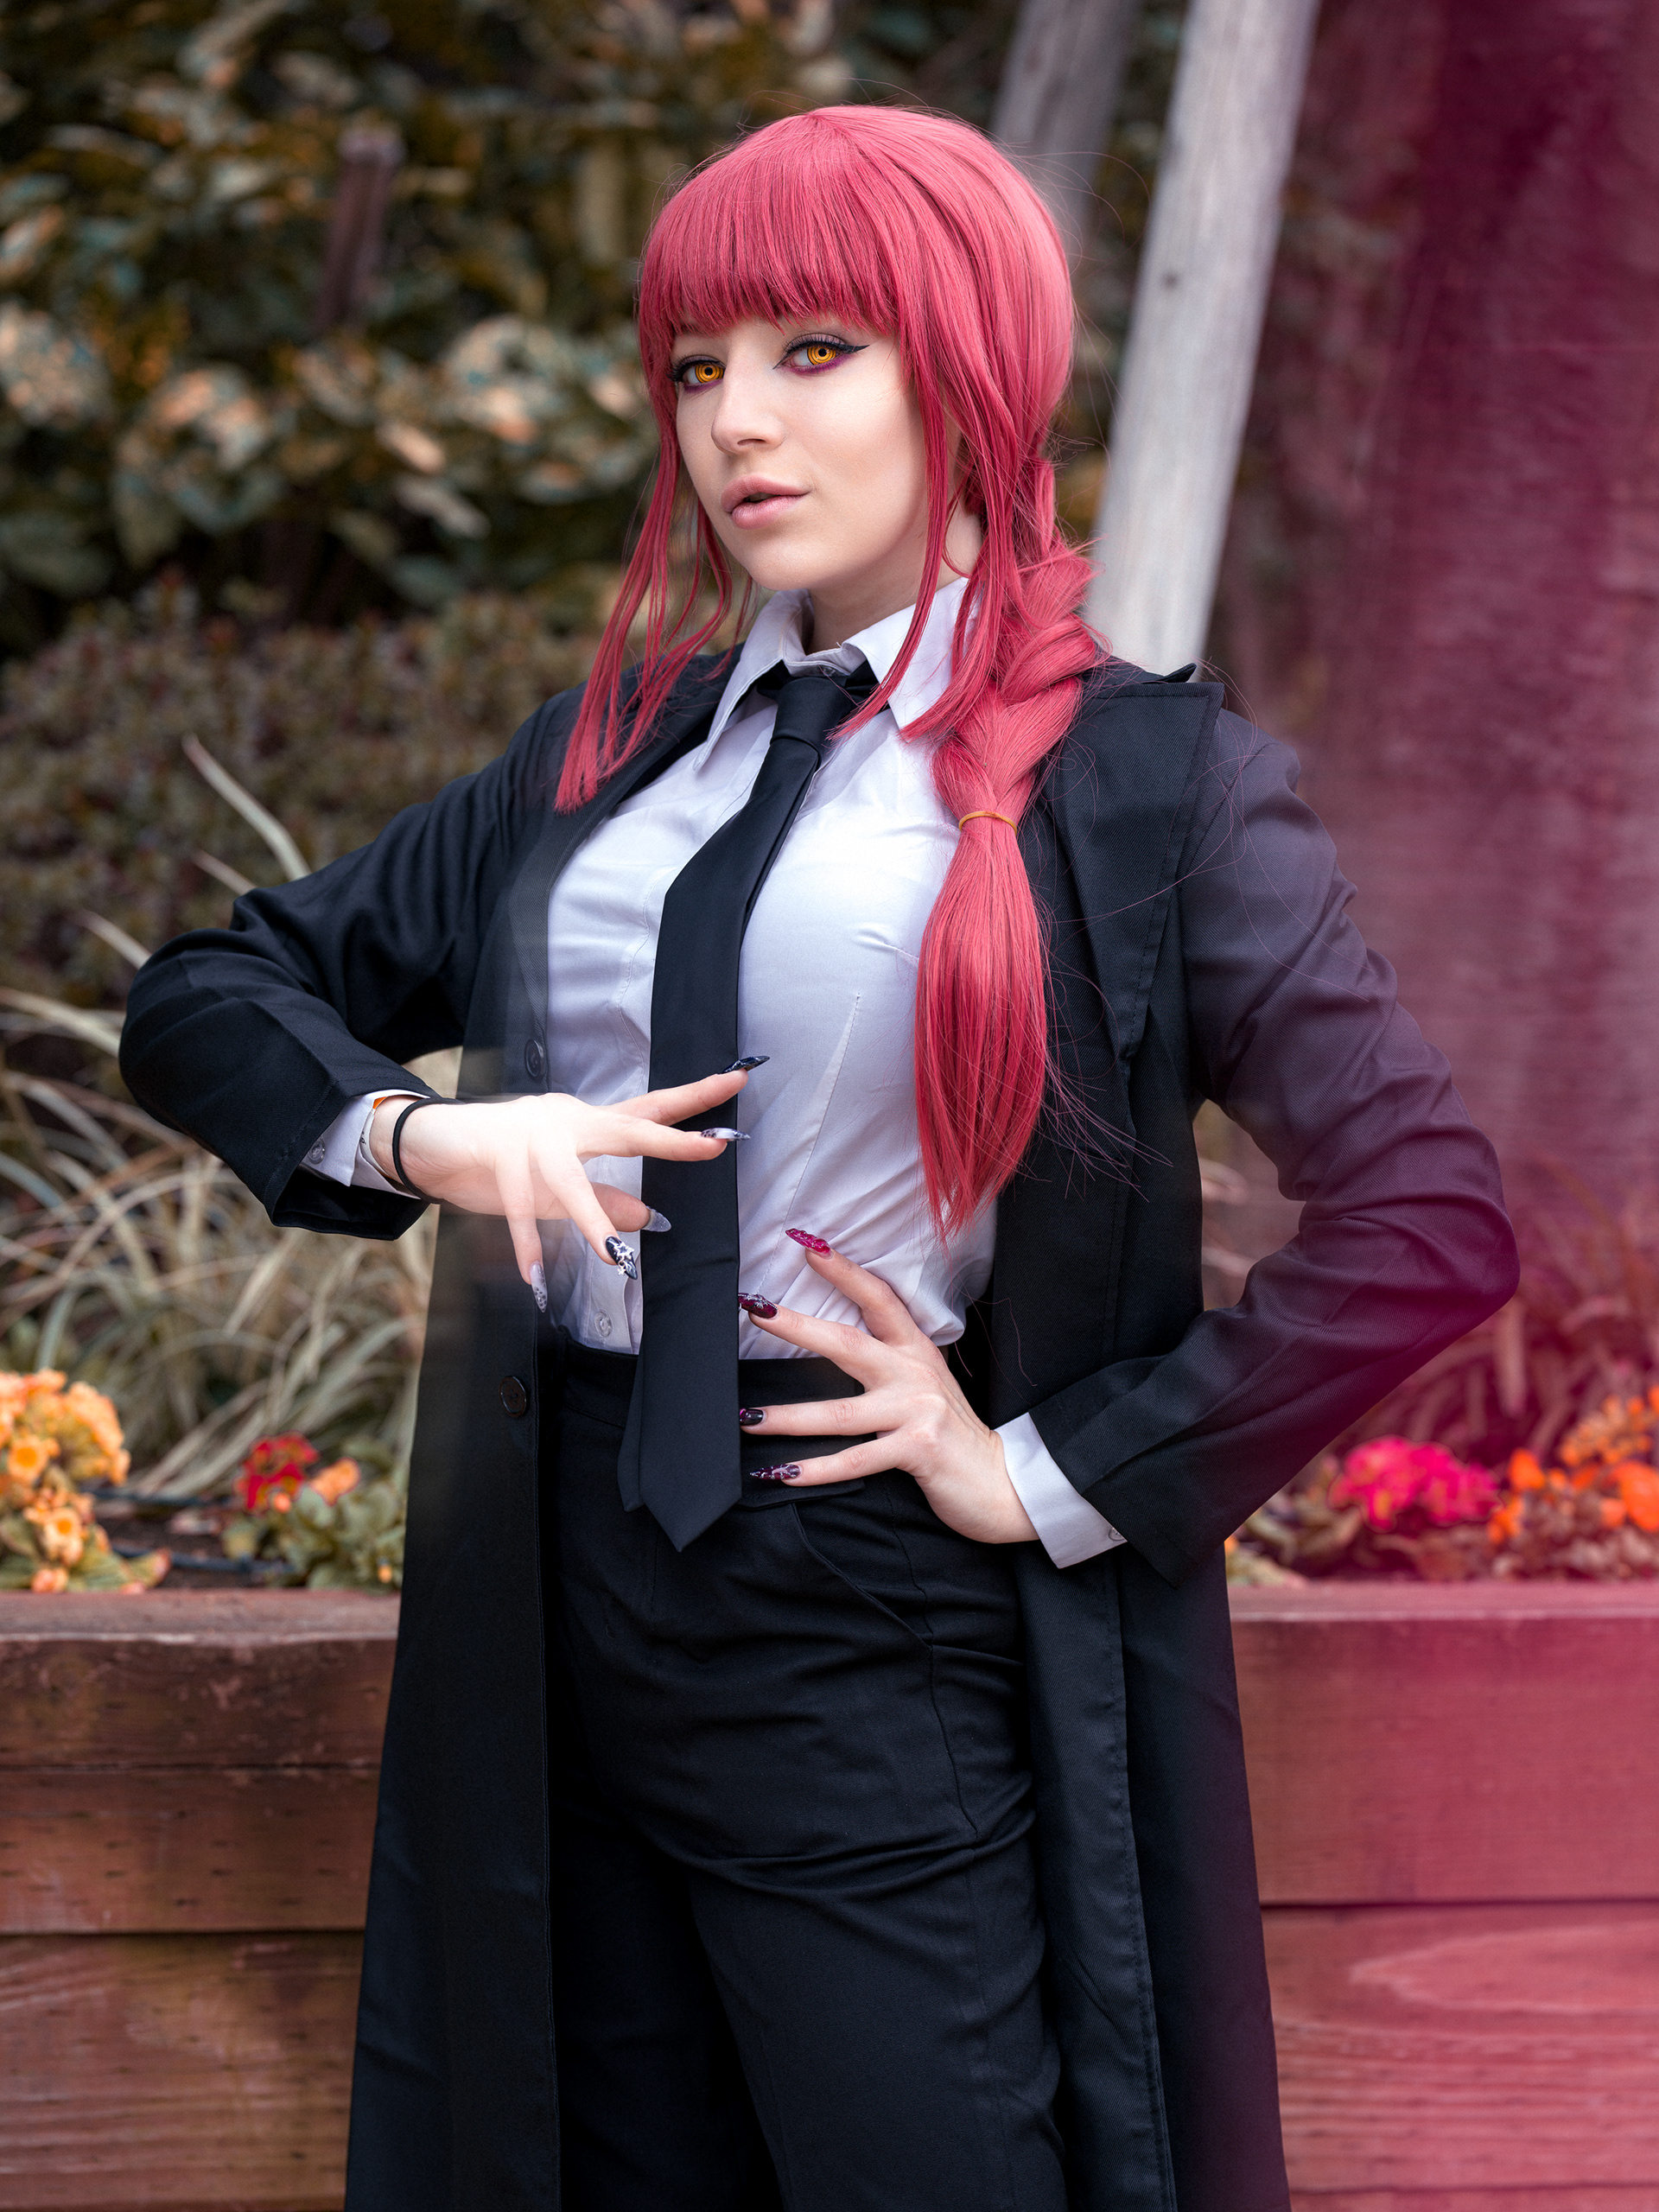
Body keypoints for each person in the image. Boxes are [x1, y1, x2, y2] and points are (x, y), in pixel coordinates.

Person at [120, 105, 1518, 2212]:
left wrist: (1042, 1468)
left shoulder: (1147, 784)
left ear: (965, 368)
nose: (735, 424)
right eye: (698, 366)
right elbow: (211, 988)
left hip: (869, 1610)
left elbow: (1431, 1213)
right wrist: (429, 1131)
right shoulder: (608, 755)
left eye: (812, 352)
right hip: (551, 1597)